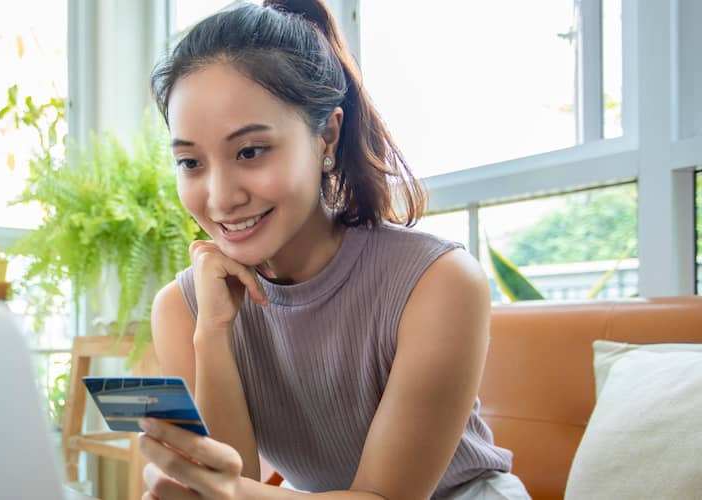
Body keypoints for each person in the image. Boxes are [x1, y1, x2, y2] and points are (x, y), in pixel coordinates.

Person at [137, 1, 530, 499]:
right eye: (190, 162)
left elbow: (379, 497)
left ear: (327, 135)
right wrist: (213, 335)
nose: (220, 197)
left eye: (250, 152)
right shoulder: (184, 308)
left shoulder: (439, 281)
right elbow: (233, 478)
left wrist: (218, 491)